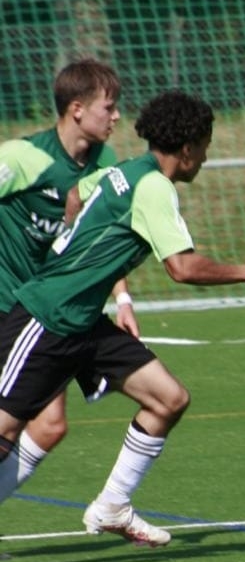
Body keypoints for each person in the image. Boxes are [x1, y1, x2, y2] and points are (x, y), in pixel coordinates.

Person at [0, 90, 245, 546]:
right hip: (48, 317)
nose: (206, 158)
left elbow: (76, 194)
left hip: (84, 321)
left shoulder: (124, 170)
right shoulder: (154, 187)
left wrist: (81, 250)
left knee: (169, 399)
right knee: (6, 428)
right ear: (186, 148)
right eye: (204, 147)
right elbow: (181, 267)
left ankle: (112, 506)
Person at [0, 58, 141, 503]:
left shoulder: (106, 162)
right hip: (9, 303)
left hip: (43, 310)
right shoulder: (24, 157)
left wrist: (122, 298)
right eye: (109, 107)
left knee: (49, 425)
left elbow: (102, 240)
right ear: (77, 109)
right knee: (26, 422)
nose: (117, 117)